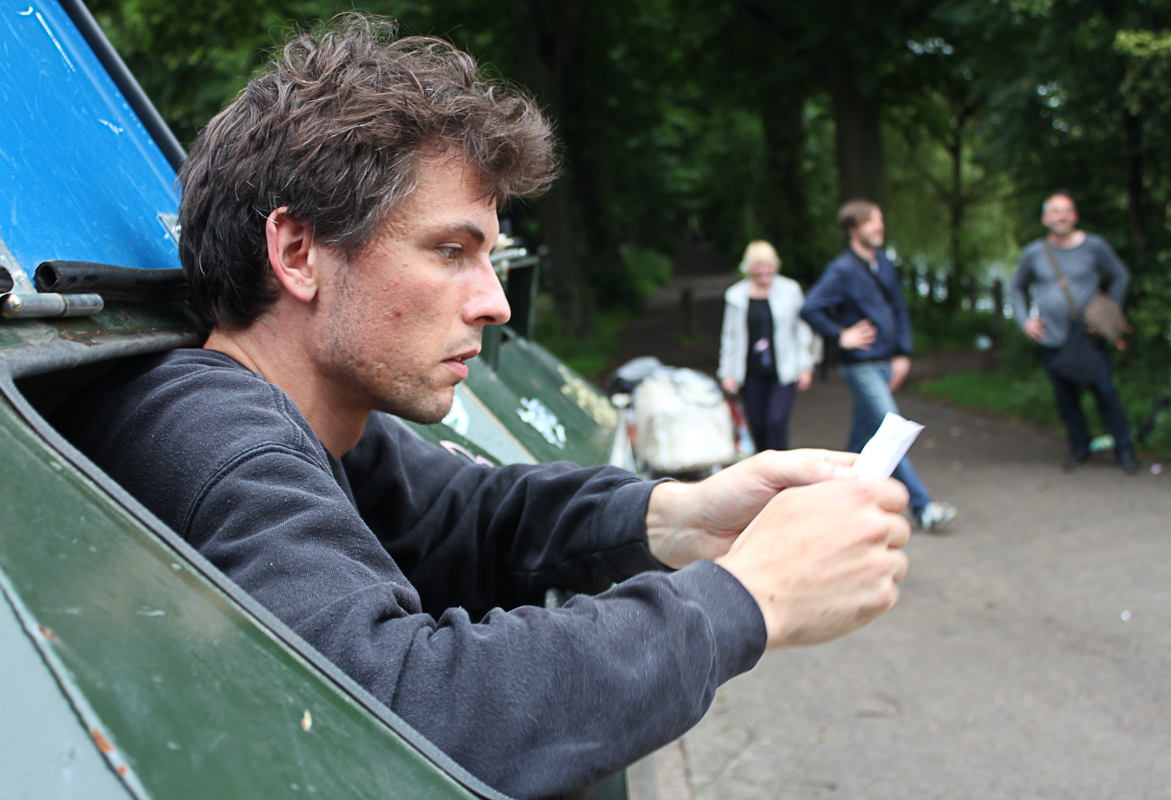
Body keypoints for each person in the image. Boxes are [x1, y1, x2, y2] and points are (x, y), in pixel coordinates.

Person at [60, 17, 911, 799]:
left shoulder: (309, 417)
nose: (495, 302)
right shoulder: (214, 435)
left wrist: (681, 518)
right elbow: (396, 709)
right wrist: (750, 597)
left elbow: (469, 514)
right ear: (298, 251)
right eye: (451, 250)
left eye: (489, 258)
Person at [801, 199, 957, 532]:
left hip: (885, 362)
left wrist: (903, 353)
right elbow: (811, 307)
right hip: (860, 367)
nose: (879, 226)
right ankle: (923, 507)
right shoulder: (842, 270)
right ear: (852, 229)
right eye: (871, 222)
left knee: (862, 442)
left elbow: (898, 308)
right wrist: (840, 335)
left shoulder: (882, 263)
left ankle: (832, 501)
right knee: (892, 432)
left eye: (880, 220)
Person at [1009, 191, 1137, 473]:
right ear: (1045, 218)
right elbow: (1016, 287)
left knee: (1105, 393)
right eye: (1055, 211)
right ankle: (1080, 447)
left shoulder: (1094, 246)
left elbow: (1120, 275)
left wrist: (1108, 315)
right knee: (1066, 398)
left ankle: (1124, 448)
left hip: (1087, 337)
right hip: (1051, 339)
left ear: (1075, 216)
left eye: (1066, 210)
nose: (1062, 216)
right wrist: (1024, 321)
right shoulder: (1034, 252)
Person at [718, 240, 816, 452]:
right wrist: (727, 373)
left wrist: (806, 366)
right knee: (758, 427)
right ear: (749, 267)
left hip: (784, 370)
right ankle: (764, 469)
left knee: (775, 422)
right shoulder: (736, 296)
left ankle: (781, 469)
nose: (763, 270)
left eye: (768, 264)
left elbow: (802, 330)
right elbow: (729, 337)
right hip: (751, 372)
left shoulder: (790, 290)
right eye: (758, 265)